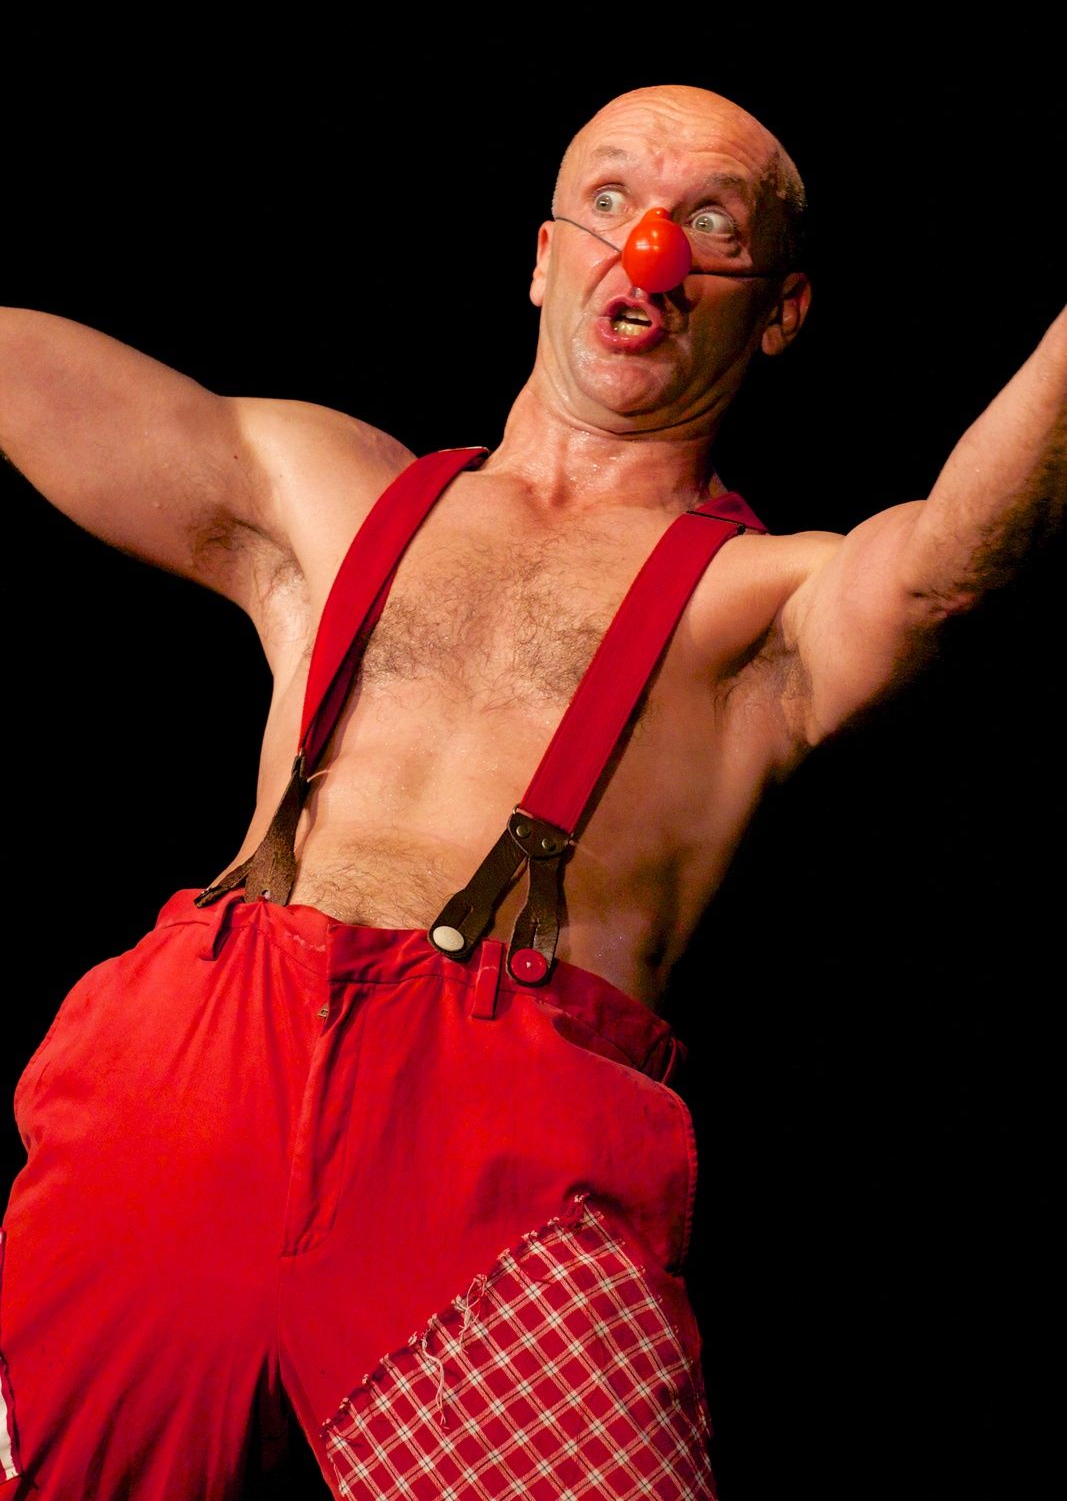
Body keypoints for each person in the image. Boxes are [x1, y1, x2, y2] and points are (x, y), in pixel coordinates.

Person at [0, 82, 1062, 1499]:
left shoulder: (763, 605)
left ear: (782, 310)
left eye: (710, 223)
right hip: (189, 1086)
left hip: (492, 1169)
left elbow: (947, 569)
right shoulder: (324, 486)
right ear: (546, 257)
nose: (651, 248)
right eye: (612, 200)